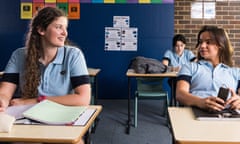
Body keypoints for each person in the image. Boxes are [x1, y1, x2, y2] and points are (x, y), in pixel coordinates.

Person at [0, 7, 91, 110]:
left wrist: (37, 101)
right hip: (27, 115)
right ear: (41, 30)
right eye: (58, 27)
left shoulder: (73, 55)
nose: (64, 33)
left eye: (65, 28)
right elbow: (5, 92)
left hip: (62, 115)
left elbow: (83, 99)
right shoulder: (19, 55)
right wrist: (2, 100)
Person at [176, 25, 240, 112]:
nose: (202, 46)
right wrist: (200, 102)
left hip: (228, 114)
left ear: (220, 45)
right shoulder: (190, 67)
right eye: (200, 42)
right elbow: (180, 94)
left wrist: (238, 101)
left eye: (208, 42)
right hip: (196, 112)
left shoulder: (235, 72)